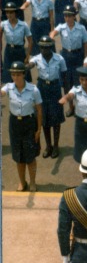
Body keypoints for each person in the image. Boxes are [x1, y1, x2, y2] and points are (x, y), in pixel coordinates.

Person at [1, 61, 42, 191]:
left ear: (24, 74)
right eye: (13, 74)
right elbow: (1, 92)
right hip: (15, 124)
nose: (15, 77)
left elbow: (39, 110)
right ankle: (22, 182)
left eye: (18, 74)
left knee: (30, 156)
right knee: (18, 157)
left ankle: (33, 182)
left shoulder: (33, 89)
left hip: (29, 123)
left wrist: (38, 129)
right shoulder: (9, 87)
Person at [28, 36, 66, 159]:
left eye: (47, 47)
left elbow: (64, 76)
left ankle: (56, 145)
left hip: (55, 88)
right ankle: (48, 145)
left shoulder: (59, 59)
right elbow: (31, 64)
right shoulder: (37, 59)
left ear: (51, 47)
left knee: (55, 118)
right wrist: (27, 66)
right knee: (44, 118)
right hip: (42, 88)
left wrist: (66, 94)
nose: (44, 50)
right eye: (42, 47)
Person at [49, 4, 87, 116]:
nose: (67, 18)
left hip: (77, 57)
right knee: (67, 83)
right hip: (66, 57)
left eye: (70, 16)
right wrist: (51, 36)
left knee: (79, 83)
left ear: (74, 16)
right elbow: (54, 32)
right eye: (65, 16)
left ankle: (80, 106)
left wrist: (85, 56)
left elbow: (86, 42)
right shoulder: (61, 27)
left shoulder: (81, 28)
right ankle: (71, 107)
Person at [1, 2, 33, 83]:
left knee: (21, 76)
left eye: (11, 12)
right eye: (7, 12)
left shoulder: (23, 25)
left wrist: (27, 56)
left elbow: (30, 41)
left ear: (15, 12)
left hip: (19, 52)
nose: (9, 14)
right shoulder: (3, 24)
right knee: (9, 78)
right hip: (9, 51)